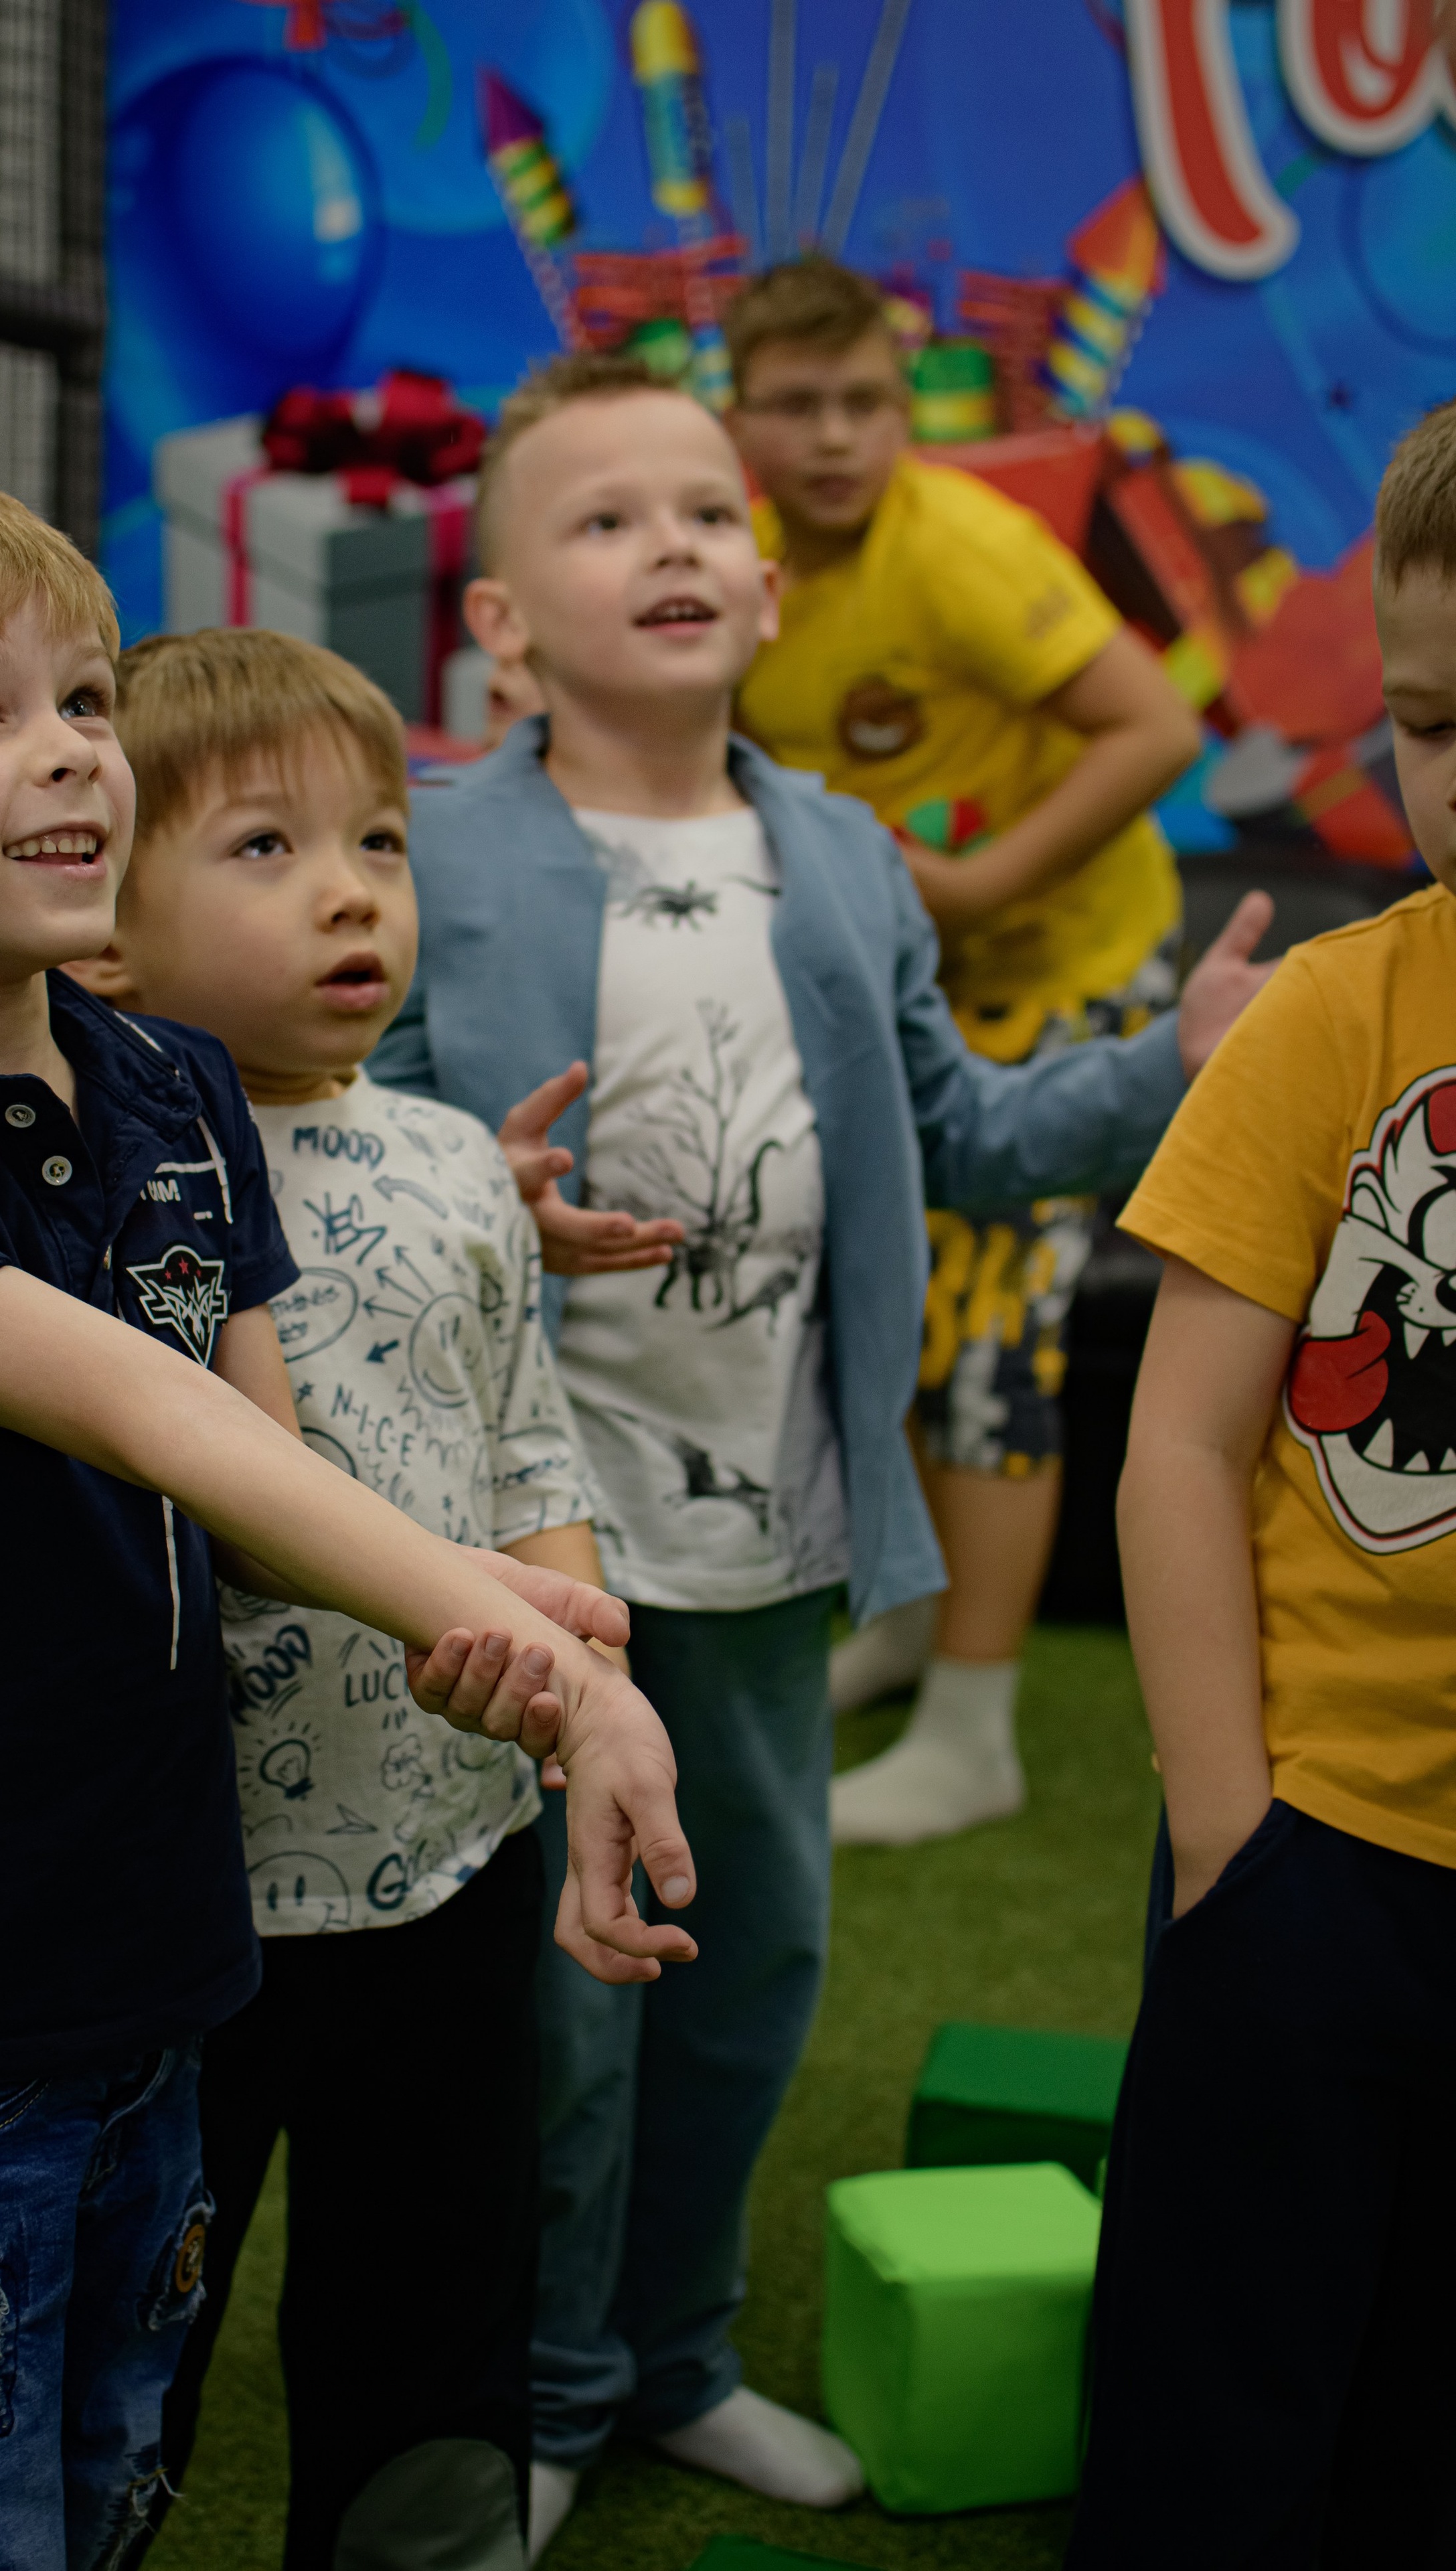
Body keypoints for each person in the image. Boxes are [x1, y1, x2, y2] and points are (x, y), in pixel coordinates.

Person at [0, 473, 696, 2570]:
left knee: (108, 2479)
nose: (77, 743)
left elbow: (277, 1518)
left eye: (85, 697)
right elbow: (168, 1422)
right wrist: (553, 1659)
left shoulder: (164, 1091)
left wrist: (511, 1660)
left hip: (163, 1946)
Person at [366, 352, 1270, 2560]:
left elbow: (967, 1136)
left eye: (701, 513)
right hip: (531, 1545)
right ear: (497, 626)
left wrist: (1171, 1060)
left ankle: (679, 2359)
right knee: (561, 2023)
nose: (669, 544)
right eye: (604, 520)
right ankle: (550, 2389)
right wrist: (484, 1189)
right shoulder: (445, 845)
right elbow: (345, 1124)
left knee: (753, 1961)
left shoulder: (846, 853)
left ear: (766, 586)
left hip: (773, 1538)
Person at [68, 625, 607, 2569]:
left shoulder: (461, 1160)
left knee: (435, 2291)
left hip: (451, 1865)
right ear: (104, 931)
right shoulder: (93, 1170)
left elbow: (531, 1440)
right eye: (267, 849)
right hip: (184, 1898)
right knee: (126, 2321)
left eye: (377, 840)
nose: (351, 890)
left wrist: (573, 1642)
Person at [1067, 404, 1456, 2566]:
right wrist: (1236, 1843)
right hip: (1317, 1846)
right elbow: (1183, 1439)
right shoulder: (1338, 1012)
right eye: (1427, 719)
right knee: (1222, 2418)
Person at [724, 258, 1202, 1845]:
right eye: (795, 406)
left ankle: (976, 1724)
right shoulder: (741, 560)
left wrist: (986, 882)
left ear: (903, 396)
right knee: (904, 1282)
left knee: (997, 1309)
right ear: (742, 413)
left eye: (863, 401)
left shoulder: (963, 551)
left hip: (1073, 956)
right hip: (929, 981)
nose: (835, 436)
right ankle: (923, 1623)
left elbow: (1154, 728)